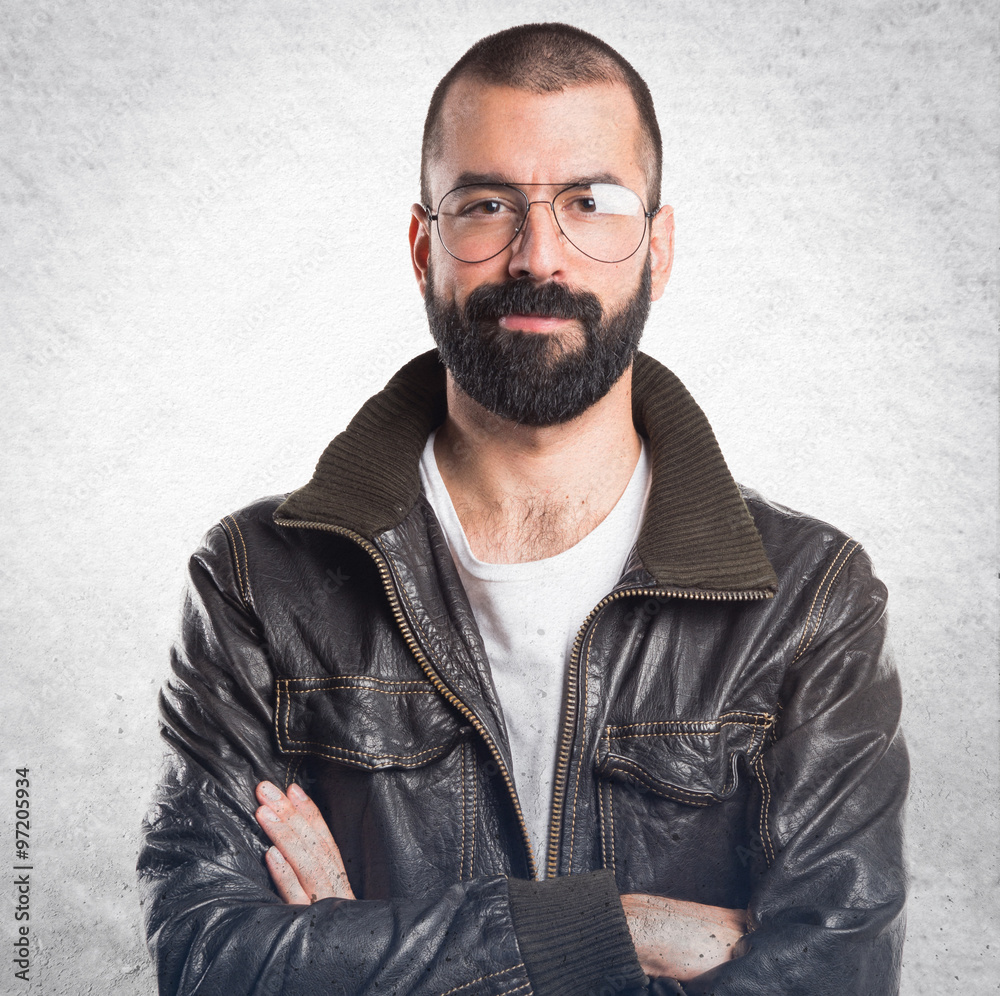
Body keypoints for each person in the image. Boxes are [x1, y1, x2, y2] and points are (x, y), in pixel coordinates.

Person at [139, 22, 908, 995]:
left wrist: (355, 949)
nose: (537, 253)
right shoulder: (260, 578)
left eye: (591, 201)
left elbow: (832, 979)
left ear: (656, 249)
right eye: (487, 203)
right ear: (425, 247)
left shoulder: (806, 600)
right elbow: (206, 964)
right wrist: (604, 929)